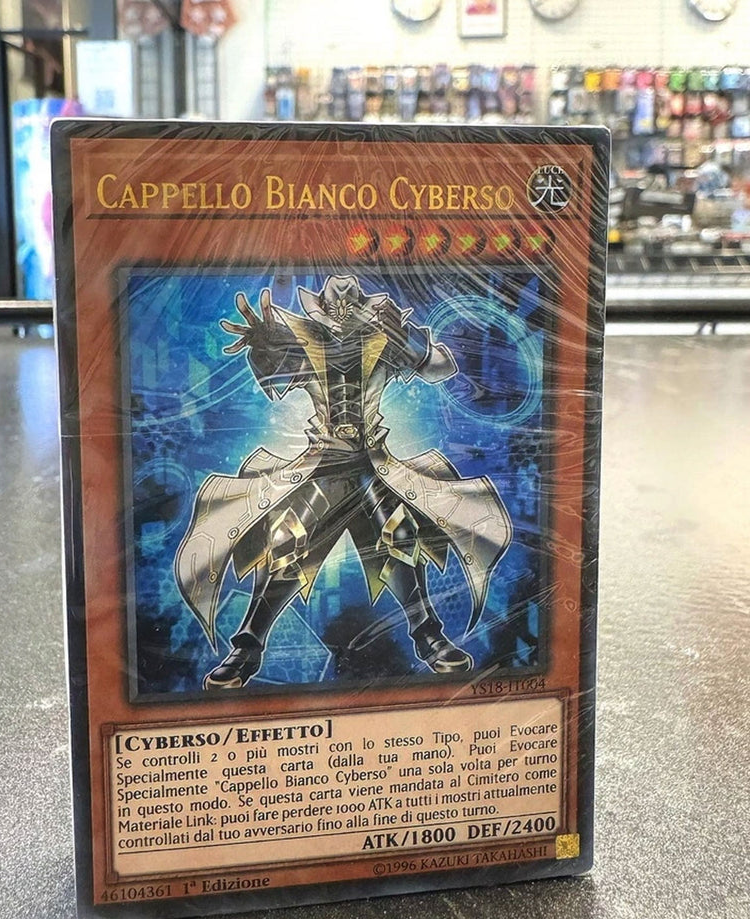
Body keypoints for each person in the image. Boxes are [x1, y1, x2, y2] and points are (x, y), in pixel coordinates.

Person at [175, 274, 511, 689]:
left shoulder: (386, 338)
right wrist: (263, 345)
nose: (343, 310)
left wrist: (408, 341)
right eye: (335, 303)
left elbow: (442, 367)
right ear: (319, 307)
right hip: (323, 462)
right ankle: (247, 646)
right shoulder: (304, 340)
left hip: (373, 462)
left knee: (400, 533)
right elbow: (271, 380)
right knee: (286, 538)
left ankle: (428, 636)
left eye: (352, 301)